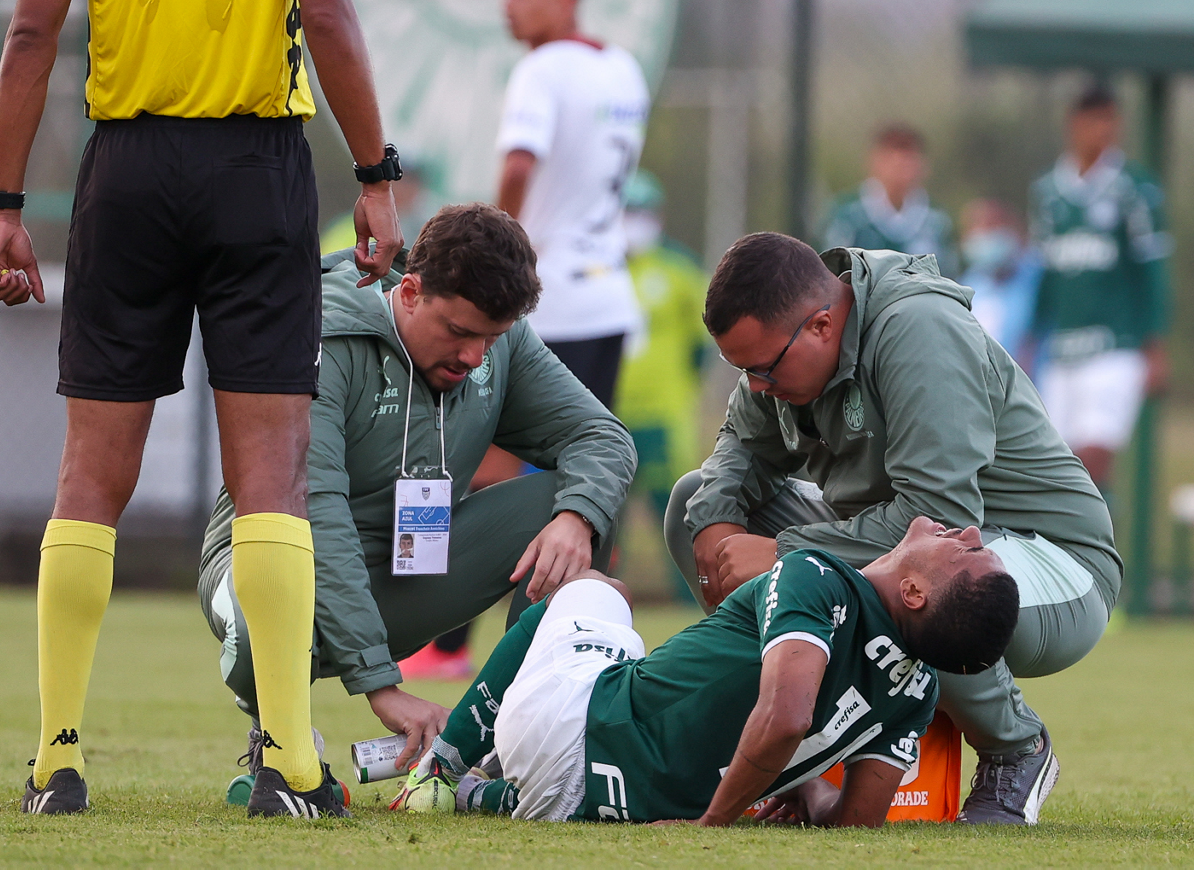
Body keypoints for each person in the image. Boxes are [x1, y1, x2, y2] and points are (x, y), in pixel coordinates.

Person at [0, 0, 402, 819]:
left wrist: (3, 204)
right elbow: (327, 11)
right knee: (269, 472)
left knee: (89, 472)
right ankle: (289, 759)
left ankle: (57, 757)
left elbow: (29, 38)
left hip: (124, 173)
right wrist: (375, 175)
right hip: (255, 169)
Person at [665, 234, 1121, 825]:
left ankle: (1015, 747)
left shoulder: (918, 328)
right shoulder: (790, 336)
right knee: (692, 502)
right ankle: (795, 748)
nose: (755, 386)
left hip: (1052, 563)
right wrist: (717, 525)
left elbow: (940, 514)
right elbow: (741, 446)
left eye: (763, 368)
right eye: (742, 371)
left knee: (920, 584)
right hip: (907, 540)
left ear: (823, 325)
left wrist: (783, 551)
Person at [198, 203, 637, 781]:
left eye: (491, 337)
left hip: (405, 572)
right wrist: (382, 686)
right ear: (409, 292)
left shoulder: (498, 343)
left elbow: (603, 436)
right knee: (260, 617)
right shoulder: (321, 337)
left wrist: (577, 517)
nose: (475, 356)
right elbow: (315, 512)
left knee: (575, 505)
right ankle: (280, 734)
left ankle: (520, 742)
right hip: (276, 559)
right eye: (459, 332)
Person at [390, 517, 1018, 827]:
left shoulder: (819, 575)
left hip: (570, 726)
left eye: (964, 549)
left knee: (598, 590)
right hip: (609, 806)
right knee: (625, 670)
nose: (965, 529)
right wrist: (807, 787)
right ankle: (485, 796)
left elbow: (786, 715)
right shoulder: (919, 691)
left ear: (914, 592)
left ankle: (439, 768)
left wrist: (710, 827)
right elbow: (857, 820)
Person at [496, 0, 651, 409]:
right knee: (590, 443)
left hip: (550, 300)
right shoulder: (624, 67)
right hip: (610, 298)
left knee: (508, 448)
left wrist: (495, 251)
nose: (508, 5)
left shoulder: (541, 68)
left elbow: (518, 167)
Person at [1030, 82, 1172, 493]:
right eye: (1096, 120)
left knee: (1092, 460)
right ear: (1074, 124)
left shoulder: (1136, 190)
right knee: (1055, 470)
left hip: (1115, 347)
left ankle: (1098, 532)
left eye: (1111, 120)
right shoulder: (1048, 192)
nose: (1105, 130)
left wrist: (1155, 343)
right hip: (1062, 351)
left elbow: (1152, 271)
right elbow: (1045, 273)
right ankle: (1089, 531)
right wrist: (1031, 338)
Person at [613, 170, 709, 599]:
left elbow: (702, 342)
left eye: (642, 211)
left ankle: (694, 599)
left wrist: (678, 388)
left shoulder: (680, 270)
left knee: (675, 510)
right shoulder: (598, 270)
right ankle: (596, 595)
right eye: (627, 210)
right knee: (606, 513)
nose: (634, 220)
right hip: (608, 414)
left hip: (663, 416)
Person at [821, 124, 957, 277]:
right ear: (875, 162)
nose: (902, 168)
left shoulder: (936, 219)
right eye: (893, 160)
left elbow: (949, 275)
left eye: (909, 160)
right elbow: (829, 273)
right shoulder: (847, 215)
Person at [959, 199, 1041, 366]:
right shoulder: (966, 287)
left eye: (992, 227)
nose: (984, 236)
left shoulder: (1037, 279)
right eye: (977, 228)